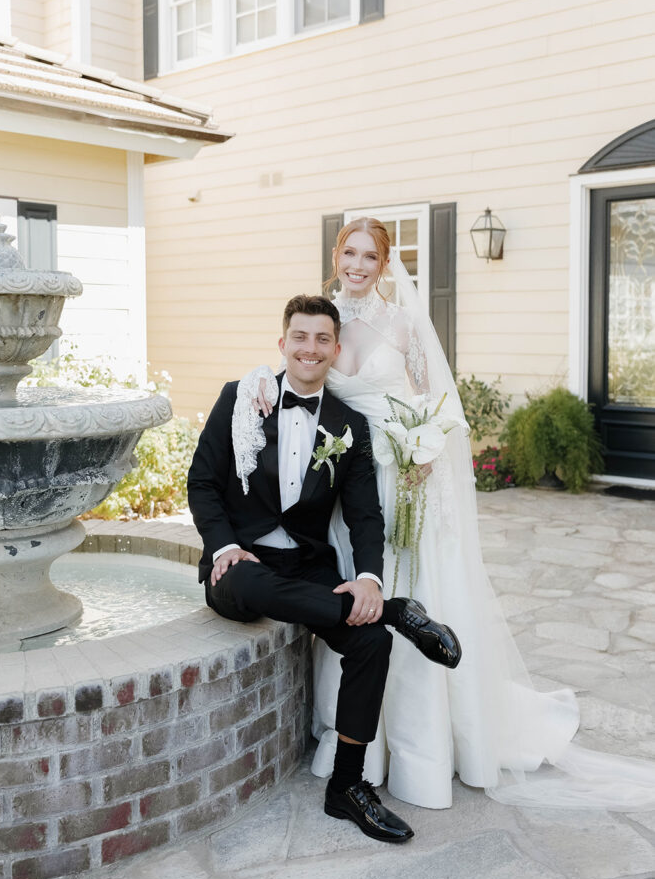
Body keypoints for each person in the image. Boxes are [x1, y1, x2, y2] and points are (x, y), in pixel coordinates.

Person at [241, 217, 655, 812]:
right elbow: (293, 375)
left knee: (413, 584)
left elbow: (438, 406)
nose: (358, 265)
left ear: (385, 265)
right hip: (348, 491)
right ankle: (360, 741)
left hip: (405, 480)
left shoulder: (404, 324)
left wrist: (424, 451)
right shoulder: (321, 322)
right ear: (337, 255)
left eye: (370, 256)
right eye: (349, 252)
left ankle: (427, 745)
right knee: (356, 595)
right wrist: (258, 381)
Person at [187, 294, 461, 843]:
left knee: (370, 644)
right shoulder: (241, 398)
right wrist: (222, 547)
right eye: (300, 337)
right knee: (242, 579)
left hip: (307, 567)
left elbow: (365, 515)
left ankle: (347, 787)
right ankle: (398, 614)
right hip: (242, 563)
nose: (309, 349)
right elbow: (202, 483)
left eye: (321, 340)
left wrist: (368, 580)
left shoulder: (350, 426)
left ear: (335, 350)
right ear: (282, 343)